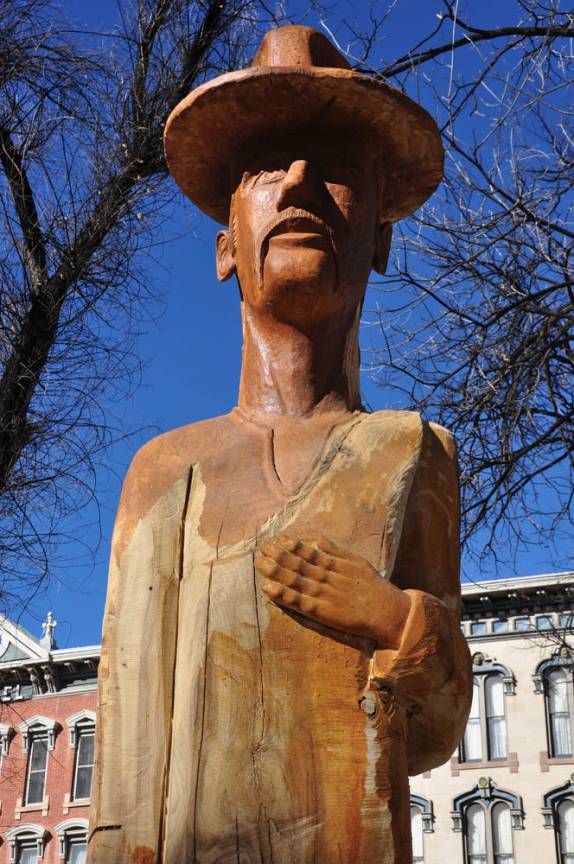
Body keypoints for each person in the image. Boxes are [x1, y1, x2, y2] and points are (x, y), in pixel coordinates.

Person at [88, 25, 472, 864]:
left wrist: (395, 618)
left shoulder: (413, 451)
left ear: (378, 238)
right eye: (267, 168)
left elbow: (438, 732)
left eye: (334, 166)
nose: (298, 181)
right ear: (228, 246)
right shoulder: (164, 470)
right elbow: (125, 746)